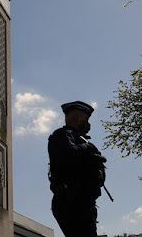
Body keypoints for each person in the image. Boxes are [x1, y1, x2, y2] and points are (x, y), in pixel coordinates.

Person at [48, 101, 107, 237]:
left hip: (83, 200)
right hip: (71, 199)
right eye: (85, 119)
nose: (88, 123)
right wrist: (89, 148)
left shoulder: (79, 138)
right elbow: (69, 153)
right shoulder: (63, 134)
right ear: (76, 118)